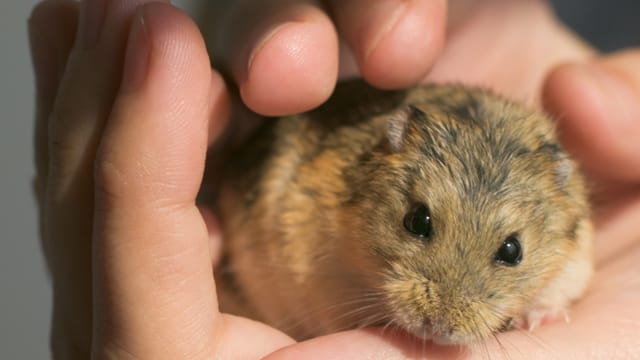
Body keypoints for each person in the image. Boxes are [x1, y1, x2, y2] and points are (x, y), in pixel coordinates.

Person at [29, 0, 640, 358]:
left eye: (507, 254)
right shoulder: (346, 177)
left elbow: (565, 266)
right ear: (386, 167)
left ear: (561, 213)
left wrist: (539, 304)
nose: (448, 311)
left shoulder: (562, 204)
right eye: (420, 225)